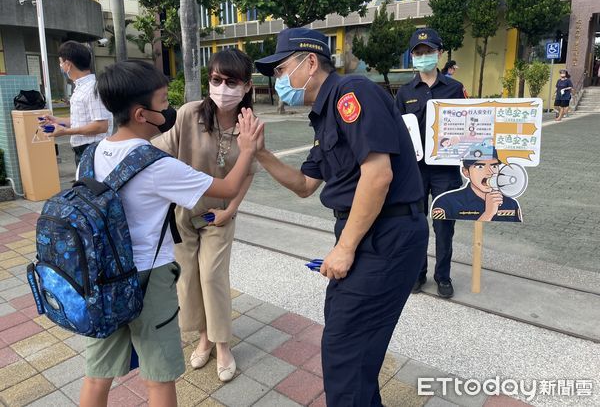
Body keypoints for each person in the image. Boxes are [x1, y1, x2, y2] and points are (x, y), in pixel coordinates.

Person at [254, 28, 428, 407]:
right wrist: (260, 153)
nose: (278, 80)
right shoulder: (323, 116)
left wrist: (345, 248)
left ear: (310, 62)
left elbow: (378, 175)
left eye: (282, 70)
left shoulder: (352, 94)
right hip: (370, 233)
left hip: (388, 235)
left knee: (344, 351)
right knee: (350, 346)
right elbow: (304, 184)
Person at [78, 60, 262, 407]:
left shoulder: (90, 155)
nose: (169, 110)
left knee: (96, 374)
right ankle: (204, 339)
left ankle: (216, 342)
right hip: (150, 278)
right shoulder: (157, 164)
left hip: (103, 279)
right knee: (159, 377)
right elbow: (228, 185)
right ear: (141, 114)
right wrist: (250, 149)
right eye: (163, 103)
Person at [152, 49, 256, 382]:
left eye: (231, 82)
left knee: (212, 276)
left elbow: (248, 171)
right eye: (216, 80)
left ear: (246, 85)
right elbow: (160, 147)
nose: (222, 88)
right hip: (184, 213)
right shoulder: (189, 114)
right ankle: (203, 337)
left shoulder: (250, 125)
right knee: (187, 277)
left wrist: (229, 210)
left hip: (219, 215)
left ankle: (223, 344)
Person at [395, 28, 467, 299]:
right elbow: (397, 131)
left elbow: (468, 127)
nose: (424, 57)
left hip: (445, 172)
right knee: (416, 224)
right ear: (413, 56)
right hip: (414, 171)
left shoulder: (454, 88)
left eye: (429, 52)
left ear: (439, 54)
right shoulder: (404, 93)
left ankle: (443, 276)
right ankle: (417, 274)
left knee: (444, 226)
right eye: (418, 53)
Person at [40, 41, 113, 166]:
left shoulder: (92, 89)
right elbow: (80, 120)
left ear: (68, 64)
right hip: (84, 150)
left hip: (93, 150)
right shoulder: (80, 88)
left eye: (61, 62)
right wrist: (56, 120)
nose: (60, 66)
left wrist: (65, 132)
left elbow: (101, 126)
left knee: (91, 185)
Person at [431, 150, 522, 222]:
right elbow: (444, 238)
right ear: (466, 172)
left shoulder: (511, 204)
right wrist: (488, 214)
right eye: (480, 167)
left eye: (494, 166)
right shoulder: (446, 203)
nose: (490, 172)